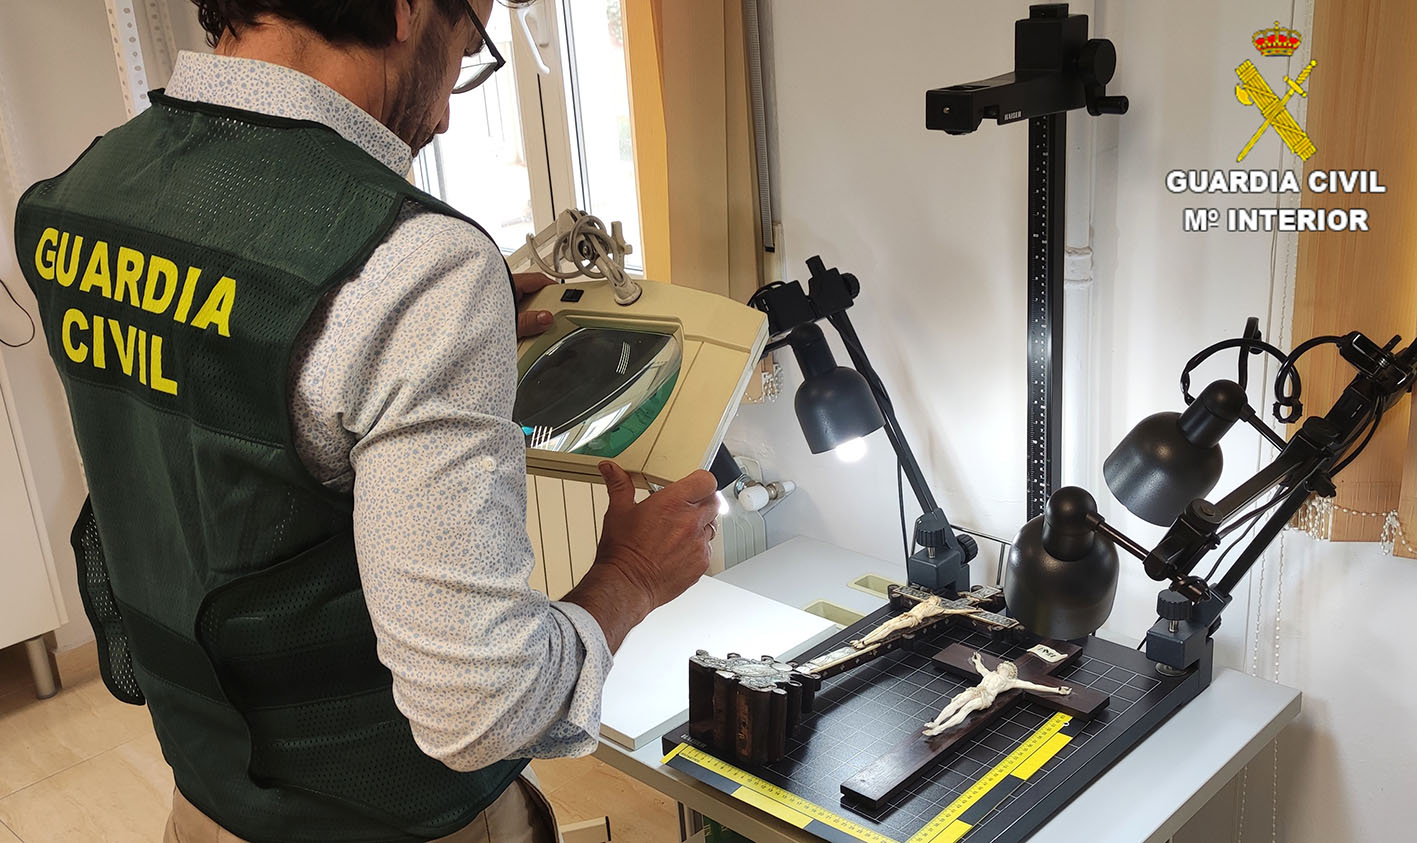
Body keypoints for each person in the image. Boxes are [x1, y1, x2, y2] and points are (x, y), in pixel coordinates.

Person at [13, 1, 719, 840]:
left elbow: (211, 381)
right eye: (466, 44)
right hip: (394, 816)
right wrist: (629, 578)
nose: (450, 108)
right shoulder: (414, 265)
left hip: (206, 797)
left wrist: (415, 333)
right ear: (407, 10)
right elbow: (480, 709)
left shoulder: (80, 196)